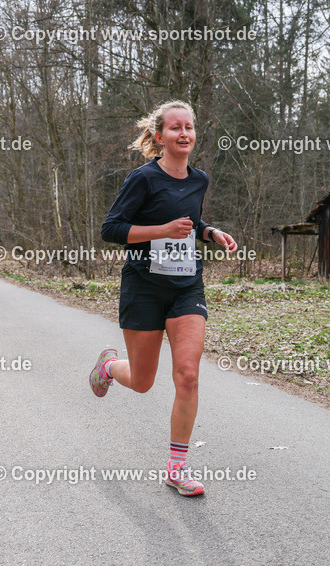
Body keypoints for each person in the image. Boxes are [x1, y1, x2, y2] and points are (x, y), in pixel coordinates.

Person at [89, 100, 237, 497]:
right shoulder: (143, 178)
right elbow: (111, 229)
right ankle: (108, 367)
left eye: (189, 127)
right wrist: (161, 230)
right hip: (143, 287)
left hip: (186, 286)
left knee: (188, 375)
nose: (184, 133)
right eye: (175, 128)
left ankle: (176, 469)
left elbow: (190, 221)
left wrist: (210, 233)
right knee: (142, 382)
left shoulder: (199, 179)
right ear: (159, 136)